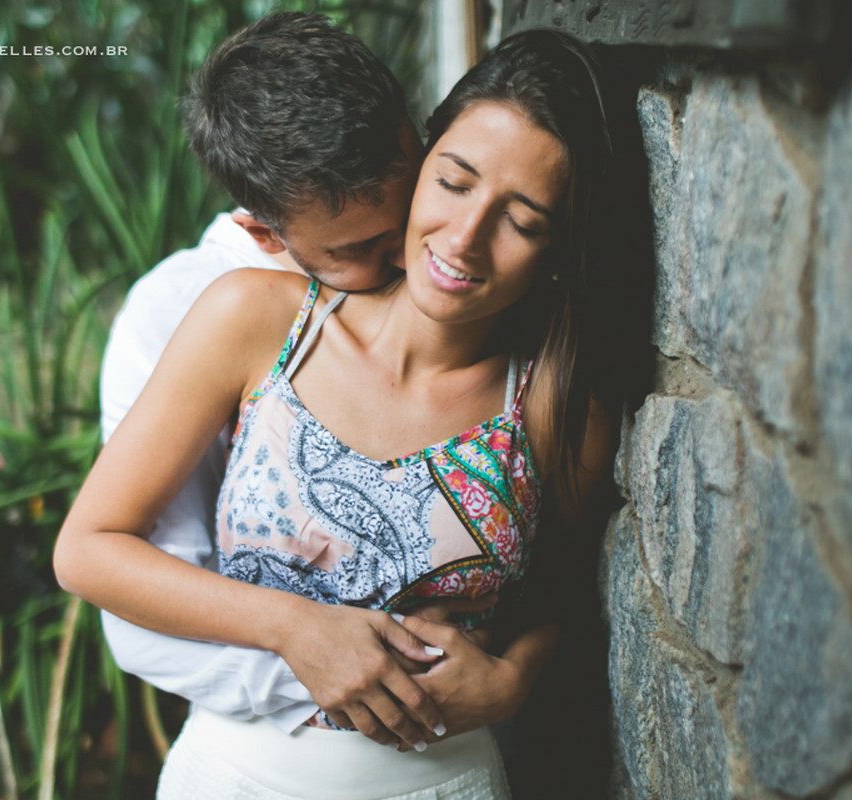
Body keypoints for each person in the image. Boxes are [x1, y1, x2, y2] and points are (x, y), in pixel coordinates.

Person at [55, 26, 619, 800]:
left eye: (522, 222)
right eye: (454, 183)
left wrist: (516, 676)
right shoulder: (245, 318)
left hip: (439, 784)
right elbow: (91, 550)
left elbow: (562, 587)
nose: (460, 241)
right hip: (230, 775)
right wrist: (297, 628)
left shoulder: (555, 404)